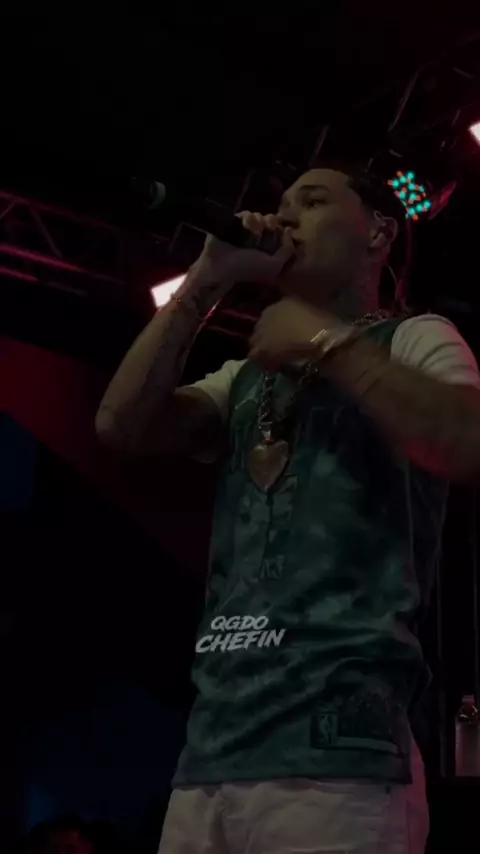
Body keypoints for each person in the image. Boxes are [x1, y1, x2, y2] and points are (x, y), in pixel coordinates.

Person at [96, 164, 480, 853]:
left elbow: (466, 440)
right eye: (282, 204)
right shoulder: (248, 376)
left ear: (379, 232)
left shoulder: (417, 337)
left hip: (340, 762)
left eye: (314, 200)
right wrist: (206, 281)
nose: (286, 217)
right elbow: (122, 425)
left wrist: (327, 343)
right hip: (212, 756)